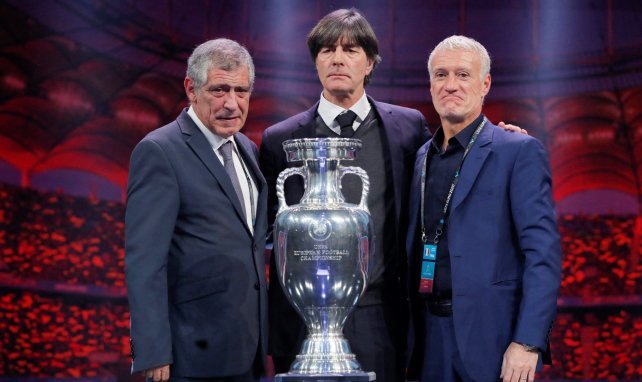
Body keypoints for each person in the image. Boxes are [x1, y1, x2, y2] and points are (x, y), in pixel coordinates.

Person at [259, 8, 523, 381]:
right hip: (303, 323)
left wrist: (503, 138)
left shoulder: (408, 126)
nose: (337, 59)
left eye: (350, 50)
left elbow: (454, 159)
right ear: (315, 62)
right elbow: (269, 230)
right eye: (326, 50)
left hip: (383, 319)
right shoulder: (279, 139)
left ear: (369, 63)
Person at [405, 35, 562, 382]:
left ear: (485, 83)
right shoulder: (421, 157)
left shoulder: (517, 150)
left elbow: (543, 255)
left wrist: (528, 342)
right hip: (427, 339)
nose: (451, 85)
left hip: (493, 341)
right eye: (441, 75)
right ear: (430, 84)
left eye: (463, 75)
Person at [125, 38, 268, 382]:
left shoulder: (247, 148)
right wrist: (153, 350)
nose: (232, 104)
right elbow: (144, 262)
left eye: (241, 91)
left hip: (246, 348)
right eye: (219, 90)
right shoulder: (160, 151)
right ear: (191, 88)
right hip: (190, 355)